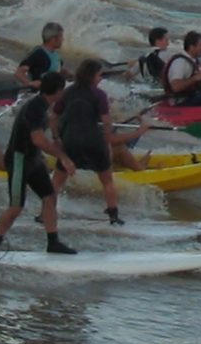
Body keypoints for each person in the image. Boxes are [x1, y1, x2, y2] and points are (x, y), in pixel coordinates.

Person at [0, 71, 77, 258]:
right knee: (16, 206)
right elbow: (38, 139)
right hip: (19, 159)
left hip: (33, 159)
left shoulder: (44, 104)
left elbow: (50, 120)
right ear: (58, 91)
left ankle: (53, 242)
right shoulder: (34, 107)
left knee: (49, 197)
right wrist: (63, 157)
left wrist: (57, 137)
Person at [52, 59, 150, 225]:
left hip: (70, 142)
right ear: (91, 76)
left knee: (57, 182)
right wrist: (136, 132)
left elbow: (54, 117)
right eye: (99, 75)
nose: (100, 78)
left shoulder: (67, 92)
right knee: (107, 181)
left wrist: (57, 138)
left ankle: (44, 213)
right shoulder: (99, 95)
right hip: (93, 143)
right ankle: (113, 215)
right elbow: (106, 122)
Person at [15, 22, 64, 91]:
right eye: (61, 36)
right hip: (37, 94)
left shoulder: (56, 55)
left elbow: (56, 72)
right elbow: (19, 73)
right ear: (53, 38)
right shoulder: (38, 53)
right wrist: (30, 83)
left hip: (52, 94)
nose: (63, 39)